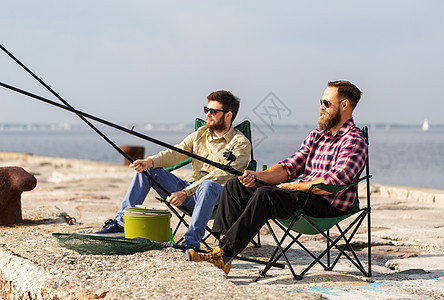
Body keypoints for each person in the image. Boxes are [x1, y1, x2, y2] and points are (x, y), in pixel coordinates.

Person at [187, 80, 368, 274]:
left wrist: (291, 187)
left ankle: (223, 254)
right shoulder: (318, 136)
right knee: (235, 185)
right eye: (320, 102)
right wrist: (255, 176)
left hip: (327, 204)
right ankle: (223, 252)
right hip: (302, 195)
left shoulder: (354, 139)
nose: (321, 107)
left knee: (267, 195)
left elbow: (334, 182)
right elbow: (289, 167)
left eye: (326, 103)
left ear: (344, 105)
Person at [95, 90, 252, 250]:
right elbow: (176, 152)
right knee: (148, 171)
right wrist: (149, 161)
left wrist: (185, 192)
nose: (208, 114)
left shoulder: (240, 143)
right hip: (191, 192)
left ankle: (191, 243)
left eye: (213, 111)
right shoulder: (200, 133)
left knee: (207, 186)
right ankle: (120, 224)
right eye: (206, 110)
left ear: (228, 116)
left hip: (221, 198)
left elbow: (223, 175)